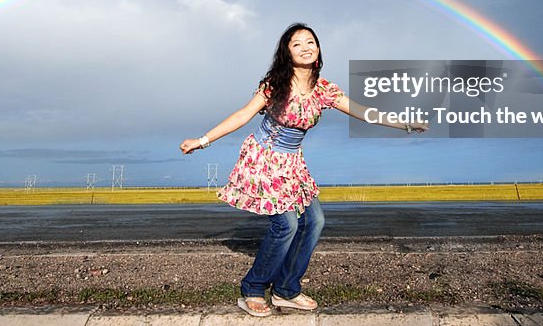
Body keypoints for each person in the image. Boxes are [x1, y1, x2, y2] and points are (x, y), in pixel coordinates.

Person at [180, 22, 428, 317]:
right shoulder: (276, 84)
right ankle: (253, 288)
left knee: (315, 221)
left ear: (319, 49)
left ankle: (286, 289)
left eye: (310, 41)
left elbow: (364, 112)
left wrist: (404, 124)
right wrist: (203, 140)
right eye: (297, 43)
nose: (305, 47)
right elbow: (244, 114)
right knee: (287, 225)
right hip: (265, 158)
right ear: (287, 52)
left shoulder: (324, 90)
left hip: (292, 162)